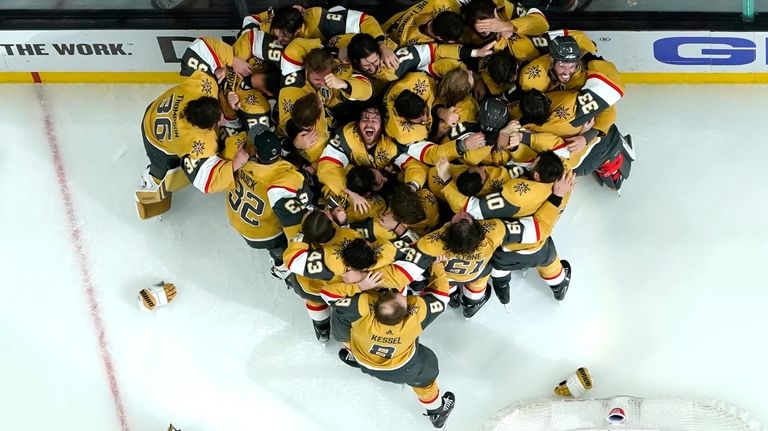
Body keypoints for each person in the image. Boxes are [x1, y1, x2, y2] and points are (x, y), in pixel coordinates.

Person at [330, 258, 456, 428]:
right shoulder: (414, 318)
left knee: (342, 324)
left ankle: (354, 355)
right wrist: (437, 266)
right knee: (426, 375)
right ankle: (437, 412)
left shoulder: (362, 309)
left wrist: (358, 283)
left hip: (365, 359)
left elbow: (331, 297)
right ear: (406, 313)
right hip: (403, 369)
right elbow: (441, 297)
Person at [226, 128, 312, 279]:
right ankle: (280, 262)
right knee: (289, 224)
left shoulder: (244, 164)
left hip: (236, 219)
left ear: (257, 153)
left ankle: (277, 256)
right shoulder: (285, 173)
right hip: (264, 235)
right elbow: (304, 179)